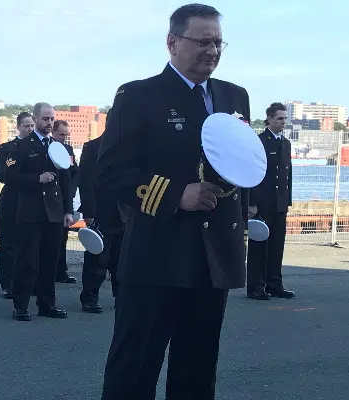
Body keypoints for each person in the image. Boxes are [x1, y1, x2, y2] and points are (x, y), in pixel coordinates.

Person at [98, 4, 251, 398]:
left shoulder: (235, 97)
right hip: (157, 256)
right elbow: (111, 171)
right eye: (203, 41)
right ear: (172, 42)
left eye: (218, 42)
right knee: (135, 367)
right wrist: (174, 194)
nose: (212, 51)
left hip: (212, 255)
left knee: (198, 369)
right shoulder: (138, 96)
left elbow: (241, 163)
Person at [7, 102, 73, 321]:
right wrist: (37, 179)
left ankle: (47, 304)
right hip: (31, 212)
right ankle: (21, 305)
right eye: (45, 119)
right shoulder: (22, 147)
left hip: (54, 212)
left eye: (52, 118)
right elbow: (10, 177)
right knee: (26, 261)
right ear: (34, 119)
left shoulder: (58, 147)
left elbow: (66, 181)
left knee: (49, 261)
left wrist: (67, 211)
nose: (49, 123)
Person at [247, 102, 295, 300]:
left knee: (277, 245)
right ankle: (256, 287)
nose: (283, 122)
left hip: (279, 203)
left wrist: (287, 201)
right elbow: (252, 174)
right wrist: (252, 202)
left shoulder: (286, 143)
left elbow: (287, 174)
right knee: (259, 245)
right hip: (263, 201)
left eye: (285, 118)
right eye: (279, 118)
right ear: (269, 119)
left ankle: (275, 283)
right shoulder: (258, 142)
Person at [77, 136, 122, 313]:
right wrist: (88, 212)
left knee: (122, 257)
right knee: (97, 257)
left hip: (124, 211)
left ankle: (121, 296)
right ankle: (89, 297)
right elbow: (85, 182)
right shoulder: (93, 147)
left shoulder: (130, 145)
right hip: (101, 211)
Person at [0, 112, 34, 299]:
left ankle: (27, 282)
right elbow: (3, 175)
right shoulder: (8, 148)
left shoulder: (39, 148)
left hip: (31, 198)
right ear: (18, 127)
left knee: (28, 243)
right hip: (12, 198)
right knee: (9, 242)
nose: (30, 129)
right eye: (26, 125)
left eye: (32, 125)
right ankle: (8, 283)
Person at [51, 120, 79, 284]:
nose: (63, 138)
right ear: (53, 133)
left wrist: (71, 188)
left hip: (65, 196)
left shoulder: (67, 149)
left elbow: (75, 171)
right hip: (52, 195)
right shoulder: (49, 147)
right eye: (61, 134)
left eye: (66, 135)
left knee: (63, 237)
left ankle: (61, 270)